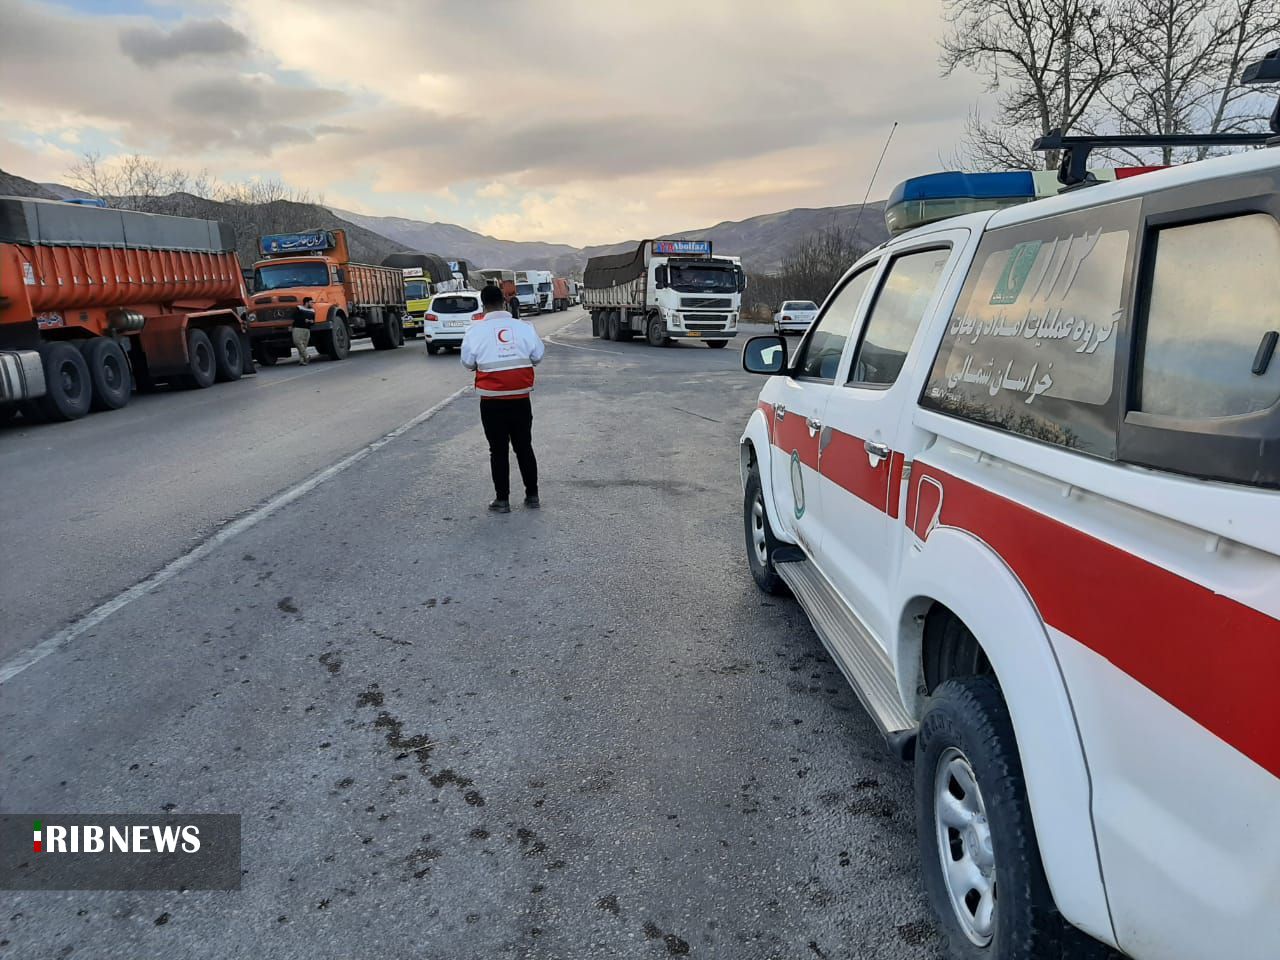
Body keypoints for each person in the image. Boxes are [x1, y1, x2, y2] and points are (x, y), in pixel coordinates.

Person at [461, 284, 545, 513]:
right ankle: (532, 496)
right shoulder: (524, 327)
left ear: (483, 304)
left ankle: (502, 500)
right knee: (524, 446)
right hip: (520, 398)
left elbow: (468, 362)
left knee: (497, 450)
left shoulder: (474, 331)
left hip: (492, 401)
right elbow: (537, 356)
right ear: (504, 302)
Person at [292, 297, 315, 364]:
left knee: (304, 345)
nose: (312, 303)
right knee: (297, 342)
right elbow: (294, 317)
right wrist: (304, 319)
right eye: (311, 302)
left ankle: (302, 361)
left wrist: (312, 321)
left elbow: (313, 321)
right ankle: (307, 356)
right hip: (298, 328)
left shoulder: (312, 311)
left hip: (307, 329)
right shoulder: (299, 308)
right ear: (306, 302)